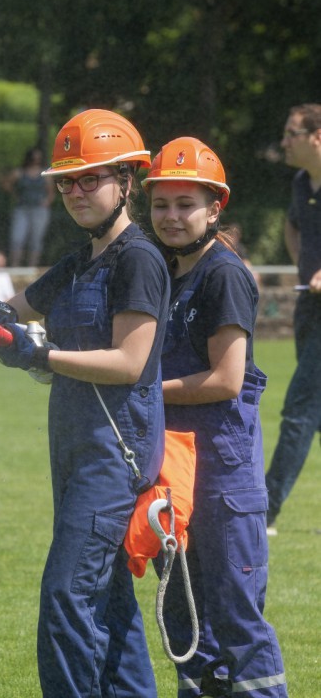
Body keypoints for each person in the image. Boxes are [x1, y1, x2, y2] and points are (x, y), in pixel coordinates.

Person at [0, 109, 170, 697]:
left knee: (67, 595)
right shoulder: (81, 258)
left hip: (112, 458)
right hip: (73, 448)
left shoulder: (138, 259)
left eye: (91, 178)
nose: (77, 192)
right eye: (66, 182)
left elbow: (130, 362)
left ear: (126, 181)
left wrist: (39, 354)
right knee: (108, 600)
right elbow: (19, 306)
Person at [143, 137, 288, 697]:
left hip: (224, 476)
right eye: (161, 204)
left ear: (214, 208)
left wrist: (141, 390)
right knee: (185, 620)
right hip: (174, 469)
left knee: (235, 621)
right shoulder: (167, 271)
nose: (172, 216)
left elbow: (227, 378)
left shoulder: (223, 274)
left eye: (186, 204)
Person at [265, 103, 321, 534]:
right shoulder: (302, 182)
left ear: (316, 137)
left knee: (300, 408)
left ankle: (264, 511)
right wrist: (305, 265)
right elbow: (291, 226)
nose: (284, 142)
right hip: (310, 308)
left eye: (291, 134)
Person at [5, 146, 55, 267]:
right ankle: (15, 266)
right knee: (17, 239)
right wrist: (15, 195)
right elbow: (6, 183)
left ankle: (32, 268)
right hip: (22, 208)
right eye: (34, 158)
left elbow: (51, 191)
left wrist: (47, 202)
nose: (35, 161)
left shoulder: (45, 173)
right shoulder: (20, 172)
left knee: (36, 240)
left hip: (39, 210)